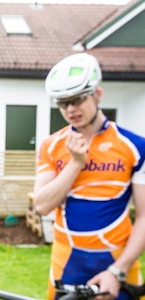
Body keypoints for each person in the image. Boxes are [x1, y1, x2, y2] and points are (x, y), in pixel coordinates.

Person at [33, 53, 145, 300]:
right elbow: (42, 204)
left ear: (98, 95)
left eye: (77, 99)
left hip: (117, 260)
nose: (71, 109)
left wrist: (117, 272)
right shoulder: (51, 145)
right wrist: (75, 164)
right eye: (63, 103)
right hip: (67, 261)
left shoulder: (135, 146)